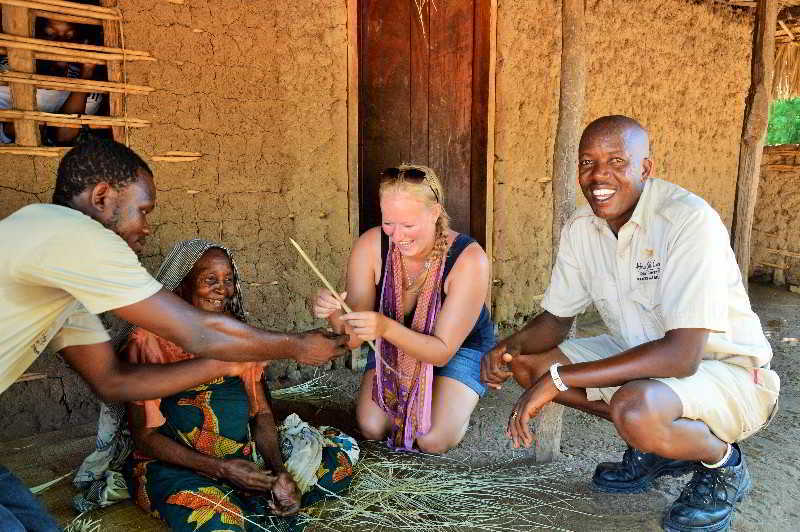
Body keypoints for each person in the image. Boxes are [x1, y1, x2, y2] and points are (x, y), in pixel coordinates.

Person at [0, 138, 347, 531]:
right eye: (143, 210)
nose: (146, 228)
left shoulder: (58, 268)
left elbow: (111, 381)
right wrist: (296, 345)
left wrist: (225, 364)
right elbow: (199, 333)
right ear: (102, 196)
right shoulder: (76, 235)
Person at [481, 115, 780, 532]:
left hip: (726, 370)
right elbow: (555, 321)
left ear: (645, 168)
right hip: (643, 358)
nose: (599, 175)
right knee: (528, 365)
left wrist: (562, 379)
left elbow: (681, 356)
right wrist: (507, 345)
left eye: (617, 161)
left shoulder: (687, 221)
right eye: (587, 162)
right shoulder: (583, 229)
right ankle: (660, 448)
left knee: (633, 407)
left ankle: (723, 467)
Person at [112, 240, 356, 531]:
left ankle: (261, 495)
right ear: (182, 284)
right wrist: (222, 469)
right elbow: (146, 437)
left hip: (242, 456)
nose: (222, 290)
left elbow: (261, 414)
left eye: (229, 280)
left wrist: (278, 474)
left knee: (339, 458)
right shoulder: (148, 341)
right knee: (216, 521)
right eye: (210, 280)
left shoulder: (240, 335)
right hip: (181, 466)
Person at [313, 164, 494, 453]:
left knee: (431, 439)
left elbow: (441, 351)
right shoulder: (372, 245)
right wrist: (334, 311)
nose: (397, 236)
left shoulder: (468, 259)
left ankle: (458, 394)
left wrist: (383, 327)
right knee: (372, 427)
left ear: (435, 212)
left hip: (455, 349)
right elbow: (354, 338)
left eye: (408, 225)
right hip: (393, 347)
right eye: (389, 223)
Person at [0, 17, 103, 145]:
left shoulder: (90, 94)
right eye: (50, 35)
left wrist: (87, 72)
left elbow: (63, 135)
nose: (60, 44)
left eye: (69, 37)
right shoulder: (6, 71)